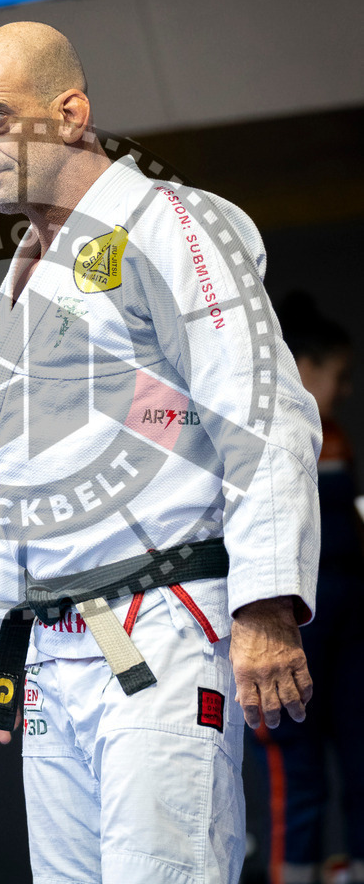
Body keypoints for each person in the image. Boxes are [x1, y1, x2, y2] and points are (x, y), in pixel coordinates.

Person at [0, 22, 321, 884]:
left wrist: (264, 602)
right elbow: (28, 486)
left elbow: (261, 410)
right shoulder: (26, 280)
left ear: (71, 113)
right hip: (51, 642)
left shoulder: (170, 223)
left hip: (161, 622)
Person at [247, 291, 364, 884]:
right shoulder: (260, 432)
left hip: (352, 624)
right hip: (292, 623)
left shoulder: (335, 436)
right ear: (303, 365)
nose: (344, 390)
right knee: (297, 764)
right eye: (338, 376)